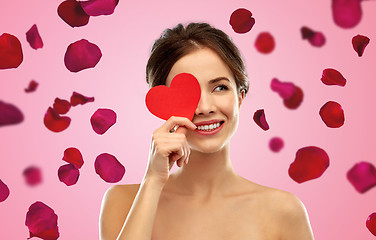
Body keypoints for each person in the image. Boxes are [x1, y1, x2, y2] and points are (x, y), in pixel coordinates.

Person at [99, 22, 314, 240]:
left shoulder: (284, 211)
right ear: (165, 105)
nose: (205, 108)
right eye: (187, 92)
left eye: (220, 87)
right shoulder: (123, 202)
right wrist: (152, 181)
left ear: (240, 97)